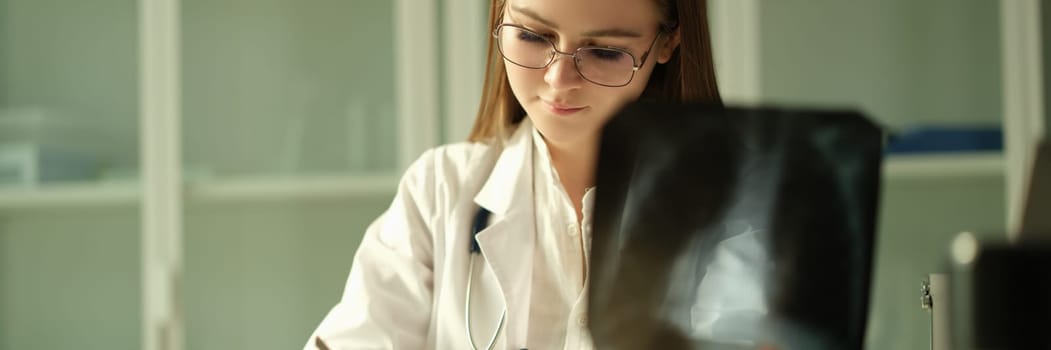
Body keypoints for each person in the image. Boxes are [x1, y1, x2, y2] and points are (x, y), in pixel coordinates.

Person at [306, 0, 722, 348]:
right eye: (533, 36)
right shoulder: (438, 191)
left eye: (605, 52)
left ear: (667, 42)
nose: (559, 79)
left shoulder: (730, 214)